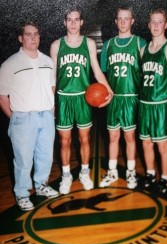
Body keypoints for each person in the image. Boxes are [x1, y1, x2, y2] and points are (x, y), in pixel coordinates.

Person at [50, 7, 113, 195]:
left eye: (76, 20)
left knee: (84, 139)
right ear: (64, 22)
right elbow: (52, 77)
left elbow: (97, 70)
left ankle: (84, 172)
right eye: (69, 20)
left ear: (82, 22)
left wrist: (109, 90)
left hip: (83, 98)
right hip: (64, 98)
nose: (73, 23)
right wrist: (52, 102)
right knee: (64, 142)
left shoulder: (89, 44)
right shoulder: (56, 45)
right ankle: (67, 175)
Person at [0, 21, 59, 211]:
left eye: (35, 34)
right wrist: (15, 118)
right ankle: (22, 194)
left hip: (46, 117)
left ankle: (41, 185)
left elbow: (52, 88)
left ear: (39, 37)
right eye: (28, 34)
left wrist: (52, 111)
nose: (32, 38)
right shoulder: (10, 64)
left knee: (45, 156)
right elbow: (2, 96)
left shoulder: (48, 61)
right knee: (24, 161)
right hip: (23, 118)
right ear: (20, 38)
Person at [100, 5, 146, 189]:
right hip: (114, 97)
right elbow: (103, 74)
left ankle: (131, 173)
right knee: (112, 137)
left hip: (131, 97)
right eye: (120, 18)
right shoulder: (108, 45)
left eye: (127, 18)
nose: (123, 22)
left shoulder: (140, 43)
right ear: (116, 21)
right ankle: (112, 172)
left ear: (132, 21)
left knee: (129, 137)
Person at [139, 8, 167, 193]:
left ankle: (164, 179)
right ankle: (150, 175)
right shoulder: (143, 50)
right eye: (153, 22)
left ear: (165, 25)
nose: (156, 25)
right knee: (146, 143)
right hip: (145, 104)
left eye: (160, 22)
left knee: (162, 145)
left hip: (160, 104)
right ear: (149, 24)